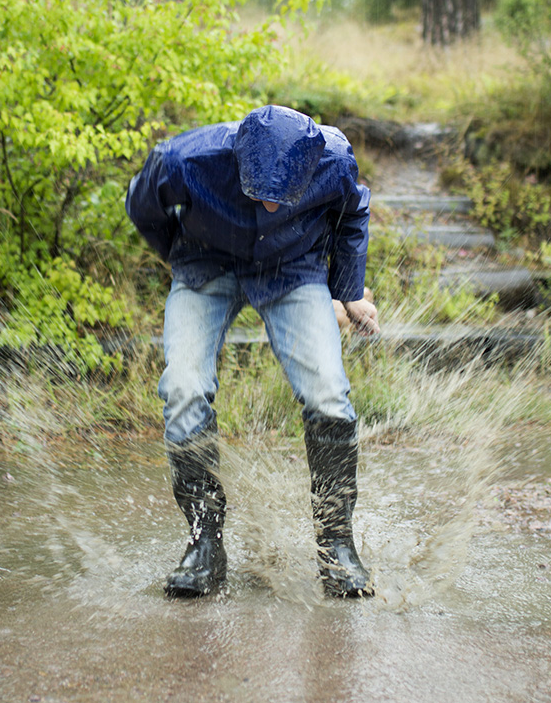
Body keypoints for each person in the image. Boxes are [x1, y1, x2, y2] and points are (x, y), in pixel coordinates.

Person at [125, 104, 379, 600]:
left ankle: (337, 546)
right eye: (259, 194)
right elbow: (142, 206)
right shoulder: (184, 160)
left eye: (280, 198)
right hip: (205, 265)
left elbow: (352, 213)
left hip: (293, 268)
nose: (268, 206)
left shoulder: (335, 158)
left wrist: (348, 290)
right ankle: (204, 544)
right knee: (182, 388)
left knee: (330, 393)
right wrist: (177, 255)